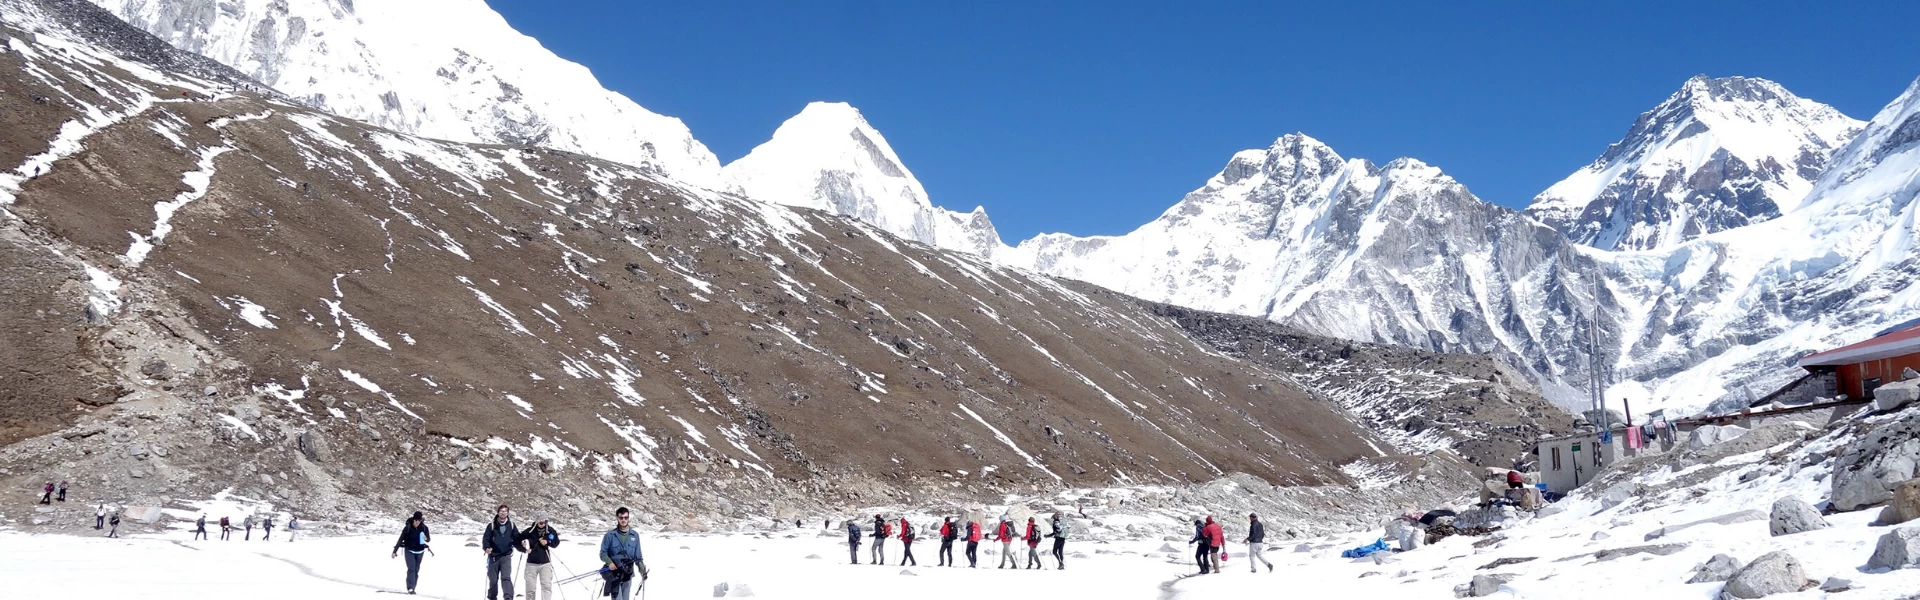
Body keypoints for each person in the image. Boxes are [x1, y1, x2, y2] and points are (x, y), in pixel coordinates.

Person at [598, 507, 646, 600]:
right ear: (617, 518)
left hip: (628, 574)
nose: (623, 520)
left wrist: (642, 570)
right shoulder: (609, 535)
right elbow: (603, 553)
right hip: (614, 574)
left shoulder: (635, 536)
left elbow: (638, 557)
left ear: (628, 518)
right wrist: (609, 563)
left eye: (626, 517)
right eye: (621, 518)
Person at [481, 504, 522, 600]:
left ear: (508, 513)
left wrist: (522, 545)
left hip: (506, 556)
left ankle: (508, 597)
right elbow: (486, 539)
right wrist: (487, 547)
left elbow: (517, 538)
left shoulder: (511, 525)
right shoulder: (491, 525)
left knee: (506, 577)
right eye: (501, 511)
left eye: (505, 511)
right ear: (498, 512)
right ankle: (492, 597)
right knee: (493, 580)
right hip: (493, 556)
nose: (503, 513)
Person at [392, 511, 432, 594]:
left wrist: (426, 538)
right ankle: (410, 587)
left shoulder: (424, 528)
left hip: (420, 551)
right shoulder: (408, 528)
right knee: (411, 568)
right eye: (416, 520)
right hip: (409, 550)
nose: (417, 522)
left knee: (416, 570)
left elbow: (428, 539)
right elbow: (400, 540)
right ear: (413, 520)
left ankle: (413, 588)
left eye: (419, 520)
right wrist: (394, 551)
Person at [520, 515, 559, 600]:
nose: (542, 523)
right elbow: (518, 540)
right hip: (531, 564)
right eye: (540, 521)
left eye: (544, 521)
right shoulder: (529, 531)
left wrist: (547, 542)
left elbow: (556, 543)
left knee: (546, 587)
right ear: (536, 521)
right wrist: (524, 548)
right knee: (530, 589)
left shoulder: (550, 531)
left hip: (545, 563)